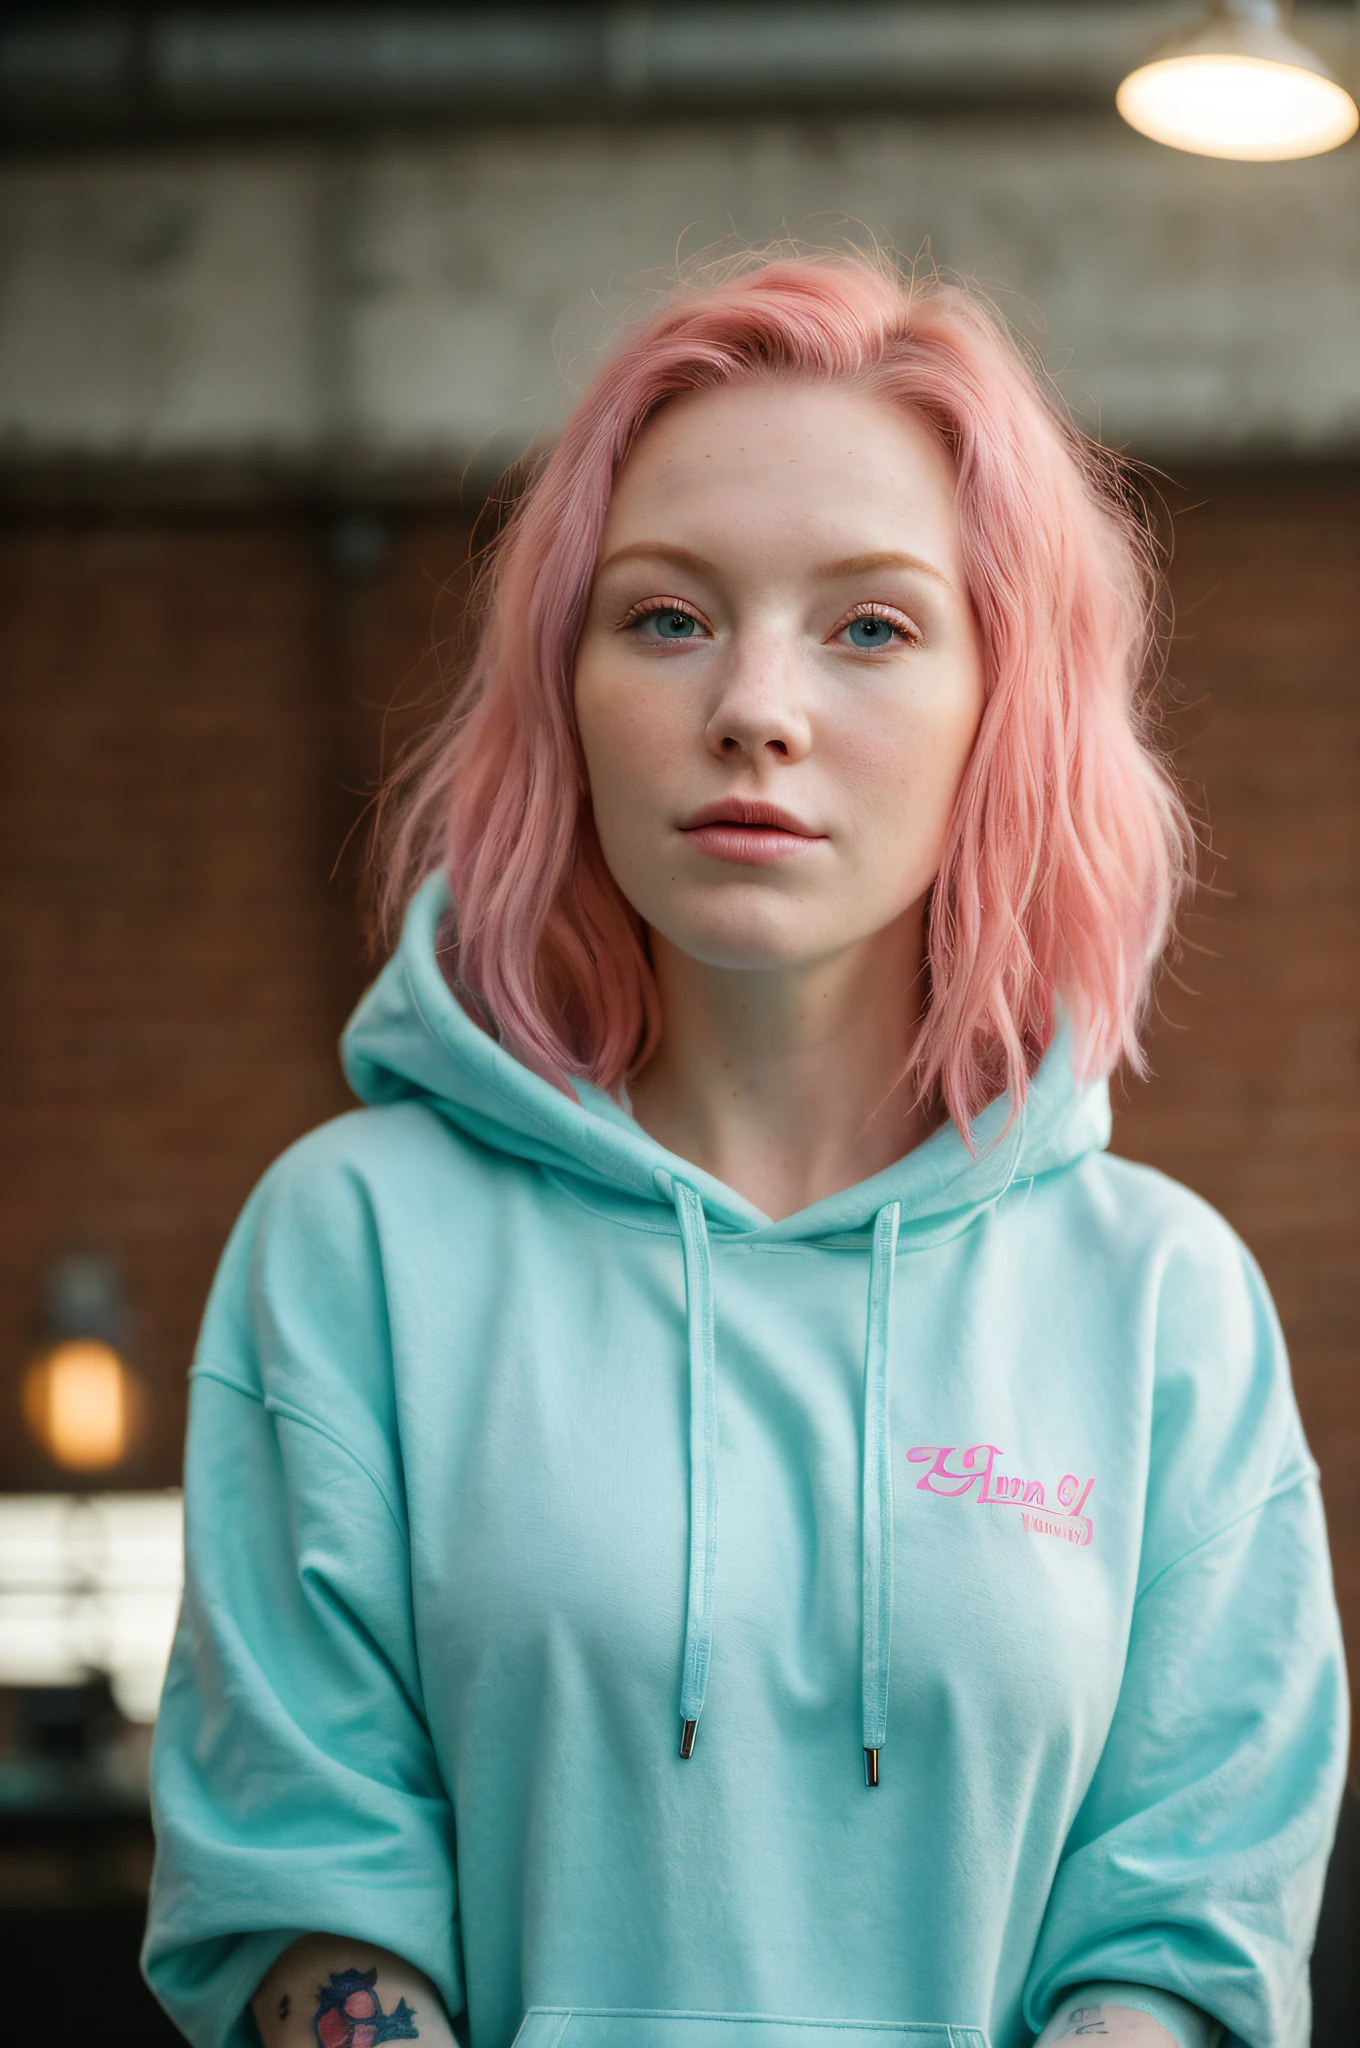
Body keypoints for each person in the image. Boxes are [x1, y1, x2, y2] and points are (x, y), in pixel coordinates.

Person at [142, 255, 1347, 2048]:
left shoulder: (1165, 1303)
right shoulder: (354, 1246)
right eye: (667, 617)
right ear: (569, 695)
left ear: (996, 713)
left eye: (870, 627)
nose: (756, 709)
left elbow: (1186, 1930)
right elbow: (305, 1884)